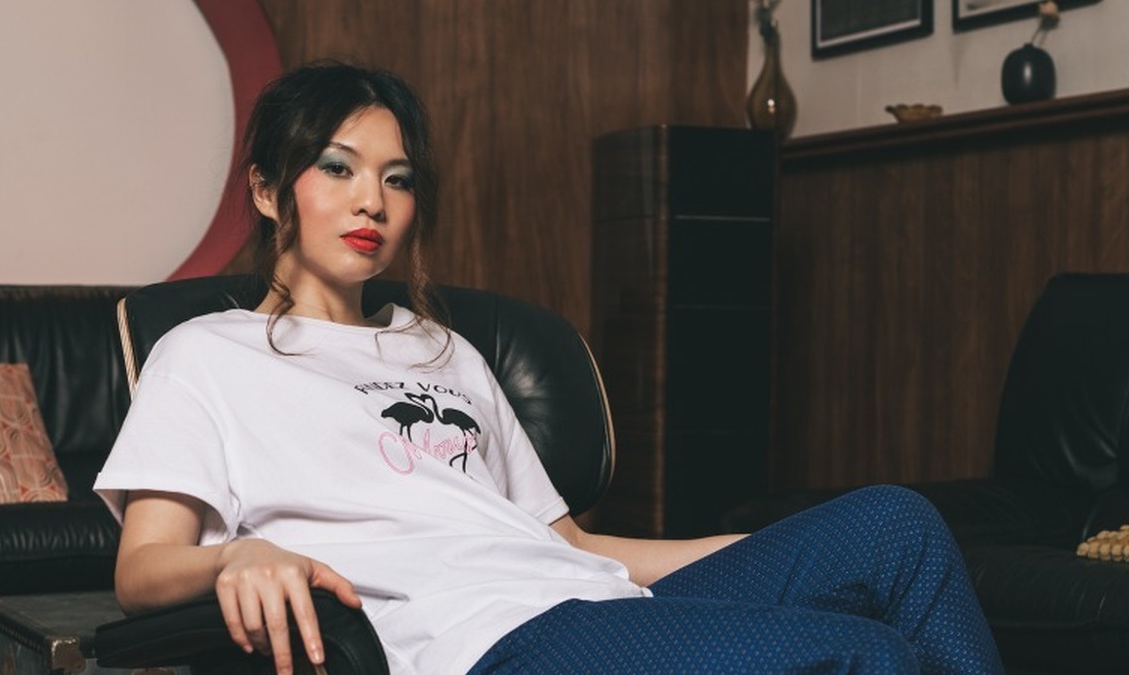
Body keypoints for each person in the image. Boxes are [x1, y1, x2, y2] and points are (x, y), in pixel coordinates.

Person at [94, 61, 1004, 675]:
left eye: (399, 177)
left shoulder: (442, 348)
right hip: (485, 636)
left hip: (580, 592)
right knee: (864, 654)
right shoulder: (206, 354)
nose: (374, 199)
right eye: (338, 168)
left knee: (896, 525)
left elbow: (572, 546)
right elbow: (142, 571)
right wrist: (239, 557)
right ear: (264, 188)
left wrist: (773, 556)